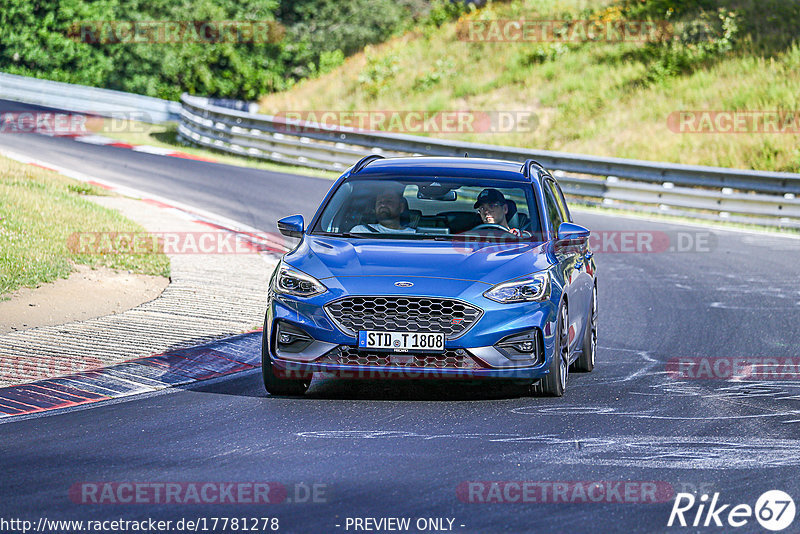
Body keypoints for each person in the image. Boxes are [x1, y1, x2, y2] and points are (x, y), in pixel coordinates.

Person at [351, 185, 416, 234]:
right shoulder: (360, 231)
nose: (383, 205)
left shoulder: (415, 234)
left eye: (388, 201)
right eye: (380, 202)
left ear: (401, 207)